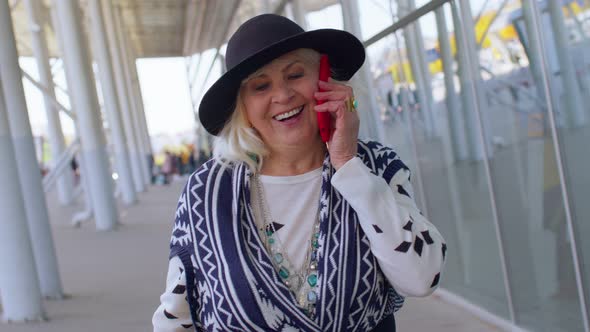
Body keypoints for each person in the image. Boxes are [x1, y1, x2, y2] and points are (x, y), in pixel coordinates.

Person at [153, 14, 446, 331]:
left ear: (324, 79)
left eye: (295, 75)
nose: (282, 95)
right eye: (261, 86)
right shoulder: (208, 192)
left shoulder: (376, 166)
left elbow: (421, 278)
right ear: (242, 106)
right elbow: (176, 316)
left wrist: (348, 164)